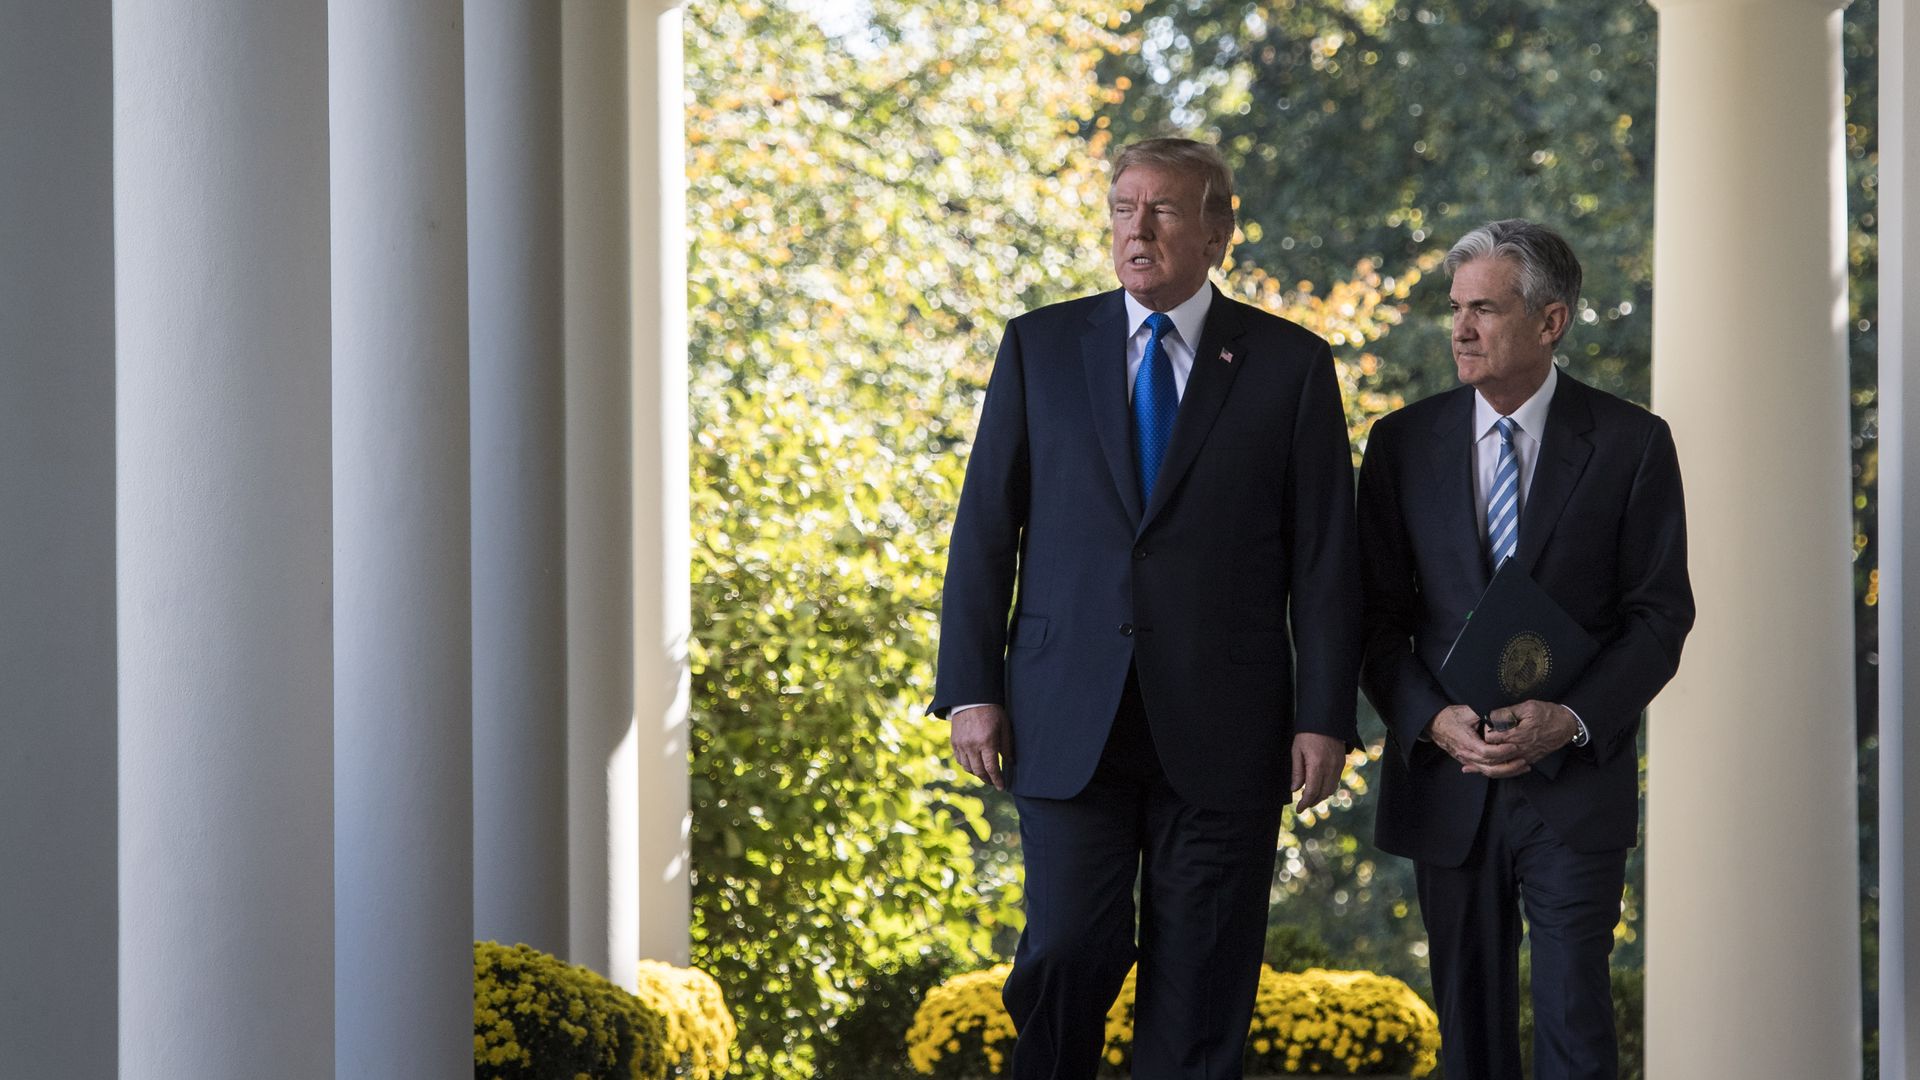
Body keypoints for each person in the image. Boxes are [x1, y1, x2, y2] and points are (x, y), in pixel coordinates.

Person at [929, 137, 1363, 1078]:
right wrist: (969, 687)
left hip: (1227, 722)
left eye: (1164, 211)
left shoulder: (1290, 365)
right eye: (1125, 207)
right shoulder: (1039, 346)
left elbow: (1327, 559)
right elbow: (984, 528)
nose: (1139, 228)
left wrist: (1325, 715)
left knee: (1205, 980)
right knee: (1065, 951)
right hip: (1065, 712)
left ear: (1219, 232)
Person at [1356, 220, 1694, 1080]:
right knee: (1469, 1030)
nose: (1462, 330)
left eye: (1486, 310)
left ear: (1551, 322)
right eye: (1457, 309)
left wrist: (1571, 718)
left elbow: (1659, 617)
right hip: (1450, 778)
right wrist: (1431, 722)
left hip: (1574, 783)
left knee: (1577, 1023)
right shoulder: (1400, 445)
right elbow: (1372, 619)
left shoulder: (1632, 444)